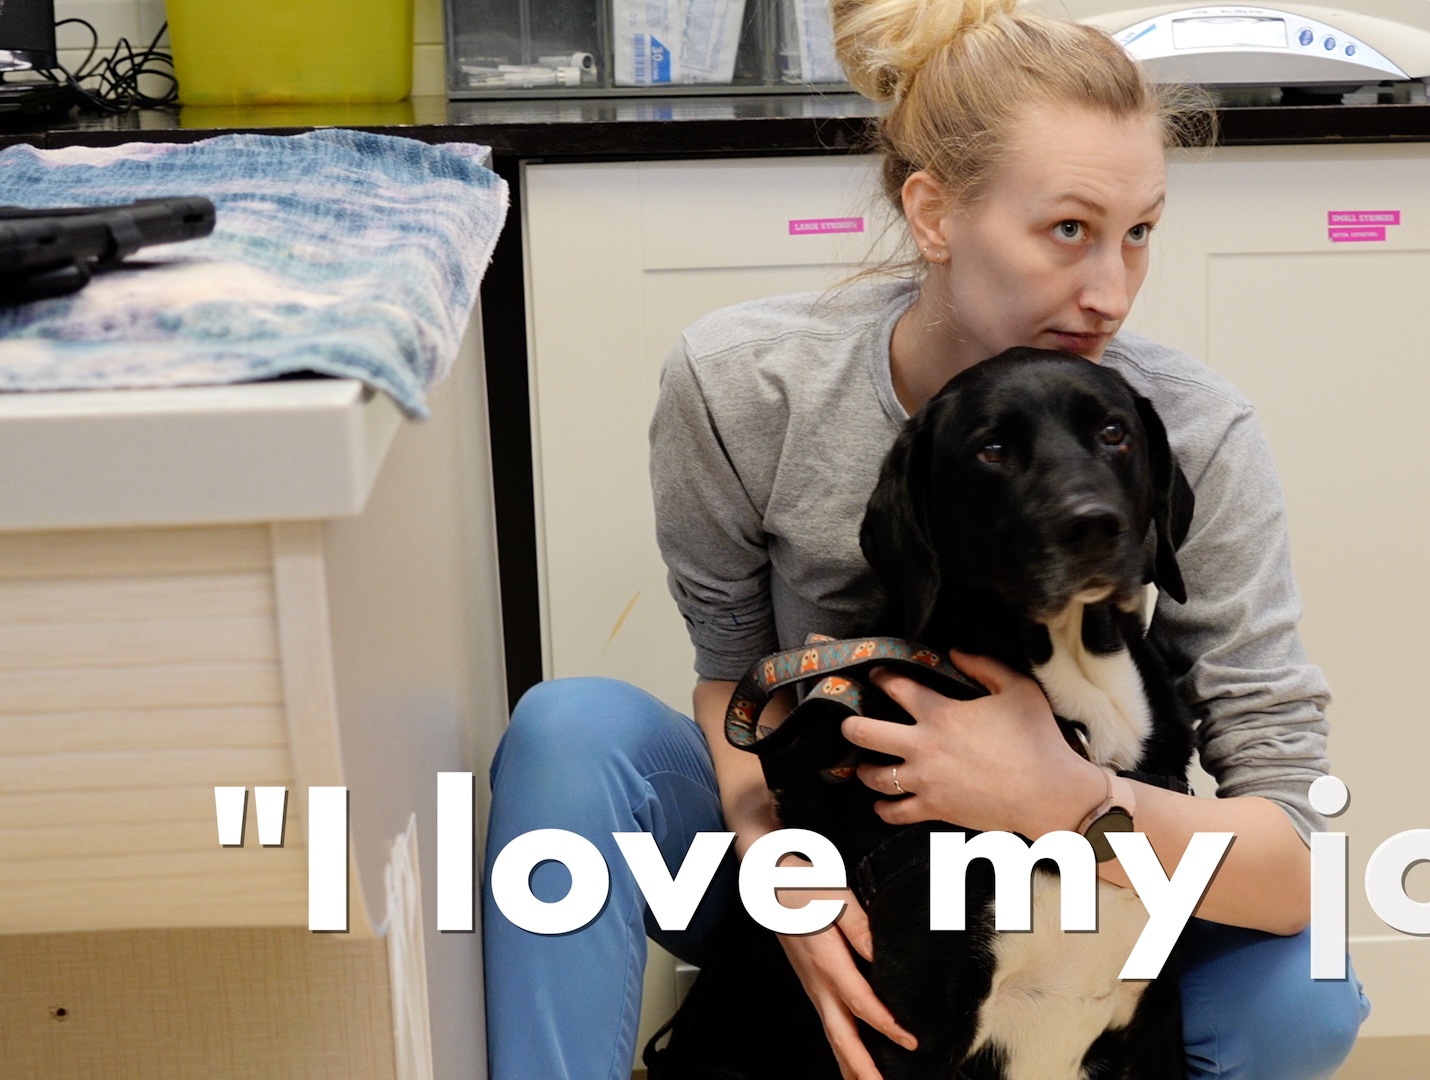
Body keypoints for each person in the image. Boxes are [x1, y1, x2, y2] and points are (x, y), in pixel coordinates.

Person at [481, 1, 1370, 1077]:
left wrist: (1068, 798)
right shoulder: (743, 387)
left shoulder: (1188, 431)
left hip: (1097, 867)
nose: (1111, 293)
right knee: (570, 732)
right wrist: (782, 867)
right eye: (1069, 231)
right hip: (839, 847)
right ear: (935, 213)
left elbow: (1289, 849)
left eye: (1140, 232)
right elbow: (732, 682)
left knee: (1303, 1003)